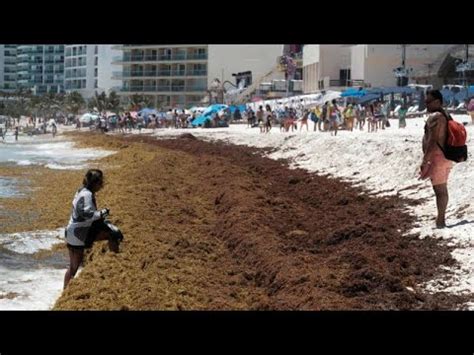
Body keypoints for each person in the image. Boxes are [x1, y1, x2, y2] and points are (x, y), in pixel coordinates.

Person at [64, 169, 123, 289]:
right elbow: (86, 214)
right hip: (78, 235)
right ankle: (115, 263)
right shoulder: (88, 195)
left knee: (72, 267)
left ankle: (64, 291)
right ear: (95, 183)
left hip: (72, 231)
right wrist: (103, 212)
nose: (102, 184)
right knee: (113, 234)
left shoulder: (81, 190)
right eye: (101, 182)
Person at [419, 90, 453, 228]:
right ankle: (441, 217)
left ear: (437, 102)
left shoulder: (435, 117)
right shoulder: (446, 115)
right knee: (441, 189)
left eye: (428, 102)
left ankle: (441, 220)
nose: (426, 104)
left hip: (437, 157)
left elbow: (432, 141)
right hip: (445, 156)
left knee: (440, 190)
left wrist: (425, 160)